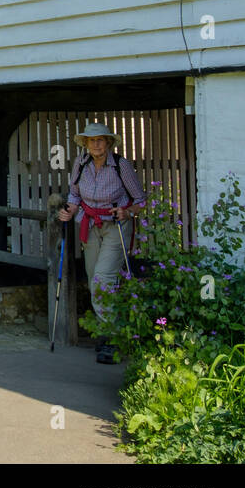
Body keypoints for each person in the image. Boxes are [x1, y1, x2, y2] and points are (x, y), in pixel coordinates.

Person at [56, 123, 146, 364]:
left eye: (100, 140)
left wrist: (127, 212)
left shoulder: (121, 165)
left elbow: (140, 199)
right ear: (85, 144)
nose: (96, 144)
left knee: (103, 278)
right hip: (90, 225)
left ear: (108, 142)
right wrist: (69, 209)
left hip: (115, 225)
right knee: (93, 276)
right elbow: (74, 194)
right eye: (91, 140)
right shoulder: (81, 163)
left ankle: (111, 339)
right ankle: (108, 332)